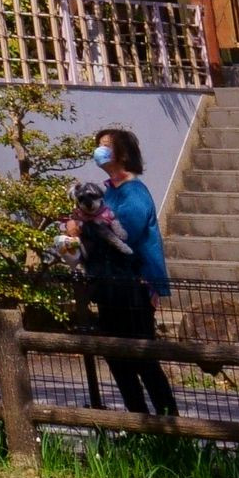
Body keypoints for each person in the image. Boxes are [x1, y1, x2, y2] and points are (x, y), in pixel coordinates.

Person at [68, 127, 177, 417]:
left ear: (124, 154)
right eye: (98, 145)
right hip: (107, 286)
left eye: (106, 146)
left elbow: (124, 232)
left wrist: (81, 228)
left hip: (134, 286)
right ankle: (138, 420)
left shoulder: (135, 193)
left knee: (142, 357)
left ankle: (169, 422)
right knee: (116, 356)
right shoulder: (106, 191)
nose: (99, 151)